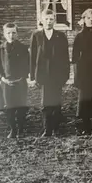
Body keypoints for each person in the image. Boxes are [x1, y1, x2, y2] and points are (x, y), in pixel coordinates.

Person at [30, 9, 70, 137]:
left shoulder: (61, 36)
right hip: (43, 75)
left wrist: (66, 74)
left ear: (54, 20)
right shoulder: (36, 36)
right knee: (46, 102)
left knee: (56, 101)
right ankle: (47, 129)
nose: (48, 21)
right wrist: (33, 75)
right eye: (46, 19)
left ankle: (56, 128)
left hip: (57, 75)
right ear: (41, 20)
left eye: (51, 19)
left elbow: (65, 57)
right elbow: (33, 57)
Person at [0, 23, 30, 138]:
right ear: (4, 34)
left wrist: (22, 77)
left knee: (21, 106)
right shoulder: (1, 49)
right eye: (8, 33)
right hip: (7, 83)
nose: (11, 35)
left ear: (17, 34)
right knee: (9, 107)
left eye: (14, 33)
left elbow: (27, 64)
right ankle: (13, 129)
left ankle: (21, 129)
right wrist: (3, 78)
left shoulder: (23, 48)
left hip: (20, 82)